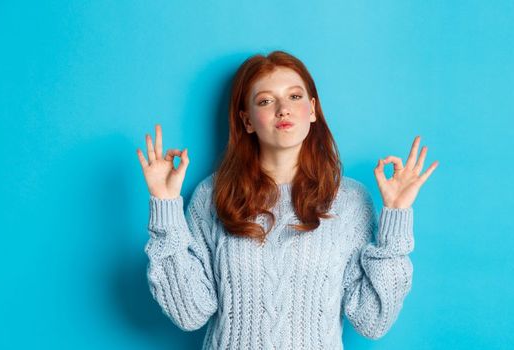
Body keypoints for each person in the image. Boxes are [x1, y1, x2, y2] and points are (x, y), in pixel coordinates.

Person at [136, 51, 438, 349]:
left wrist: (396, 216)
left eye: (295, 97)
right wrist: (166, 206)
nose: (283, 109)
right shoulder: (213, 195)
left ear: (313, 109)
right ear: (247, 120)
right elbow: (189, 313)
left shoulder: (350, 200)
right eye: (266, 101)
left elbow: (372, 322)